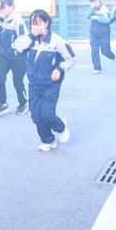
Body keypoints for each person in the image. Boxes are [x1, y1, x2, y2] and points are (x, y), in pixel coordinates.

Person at [14, 9, 76, 152]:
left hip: (50, 85)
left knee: (48, 115)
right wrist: (31, 35)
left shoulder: (57, 41)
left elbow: (72, 59)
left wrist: (59, 69)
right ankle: (48, 140)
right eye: (32, 24)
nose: (35, 27)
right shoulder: (30, 39)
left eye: (38, 23)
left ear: (46, 23)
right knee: (36, 115)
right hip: (34, 84)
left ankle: (61, 127)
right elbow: (19, 48)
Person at [0, 0, 29, 116]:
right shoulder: (1, 19)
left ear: (11, 6)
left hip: (18, 57)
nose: (1, 10)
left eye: (4, 7)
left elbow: (24, 39)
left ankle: (23, 103)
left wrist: (14, 48)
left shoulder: (18, 20)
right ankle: (3, 104)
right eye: (0, 8)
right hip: (4, 55)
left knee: (17, 82)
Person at [86, 0, 116, 74]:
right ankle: (97, 68)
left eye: (95, 1)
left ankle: (112, 56)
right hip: (93, 33)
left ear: (99, 0)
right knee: (94, 51)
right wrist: (91, 8)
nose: (93, 3)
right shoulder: (91, 8)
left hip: (104, 33)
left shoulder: (104, 8)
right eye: (92, 1)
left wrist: (98, 18)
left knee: (105, 51)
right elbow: (86, 16)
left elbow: (108, 20)